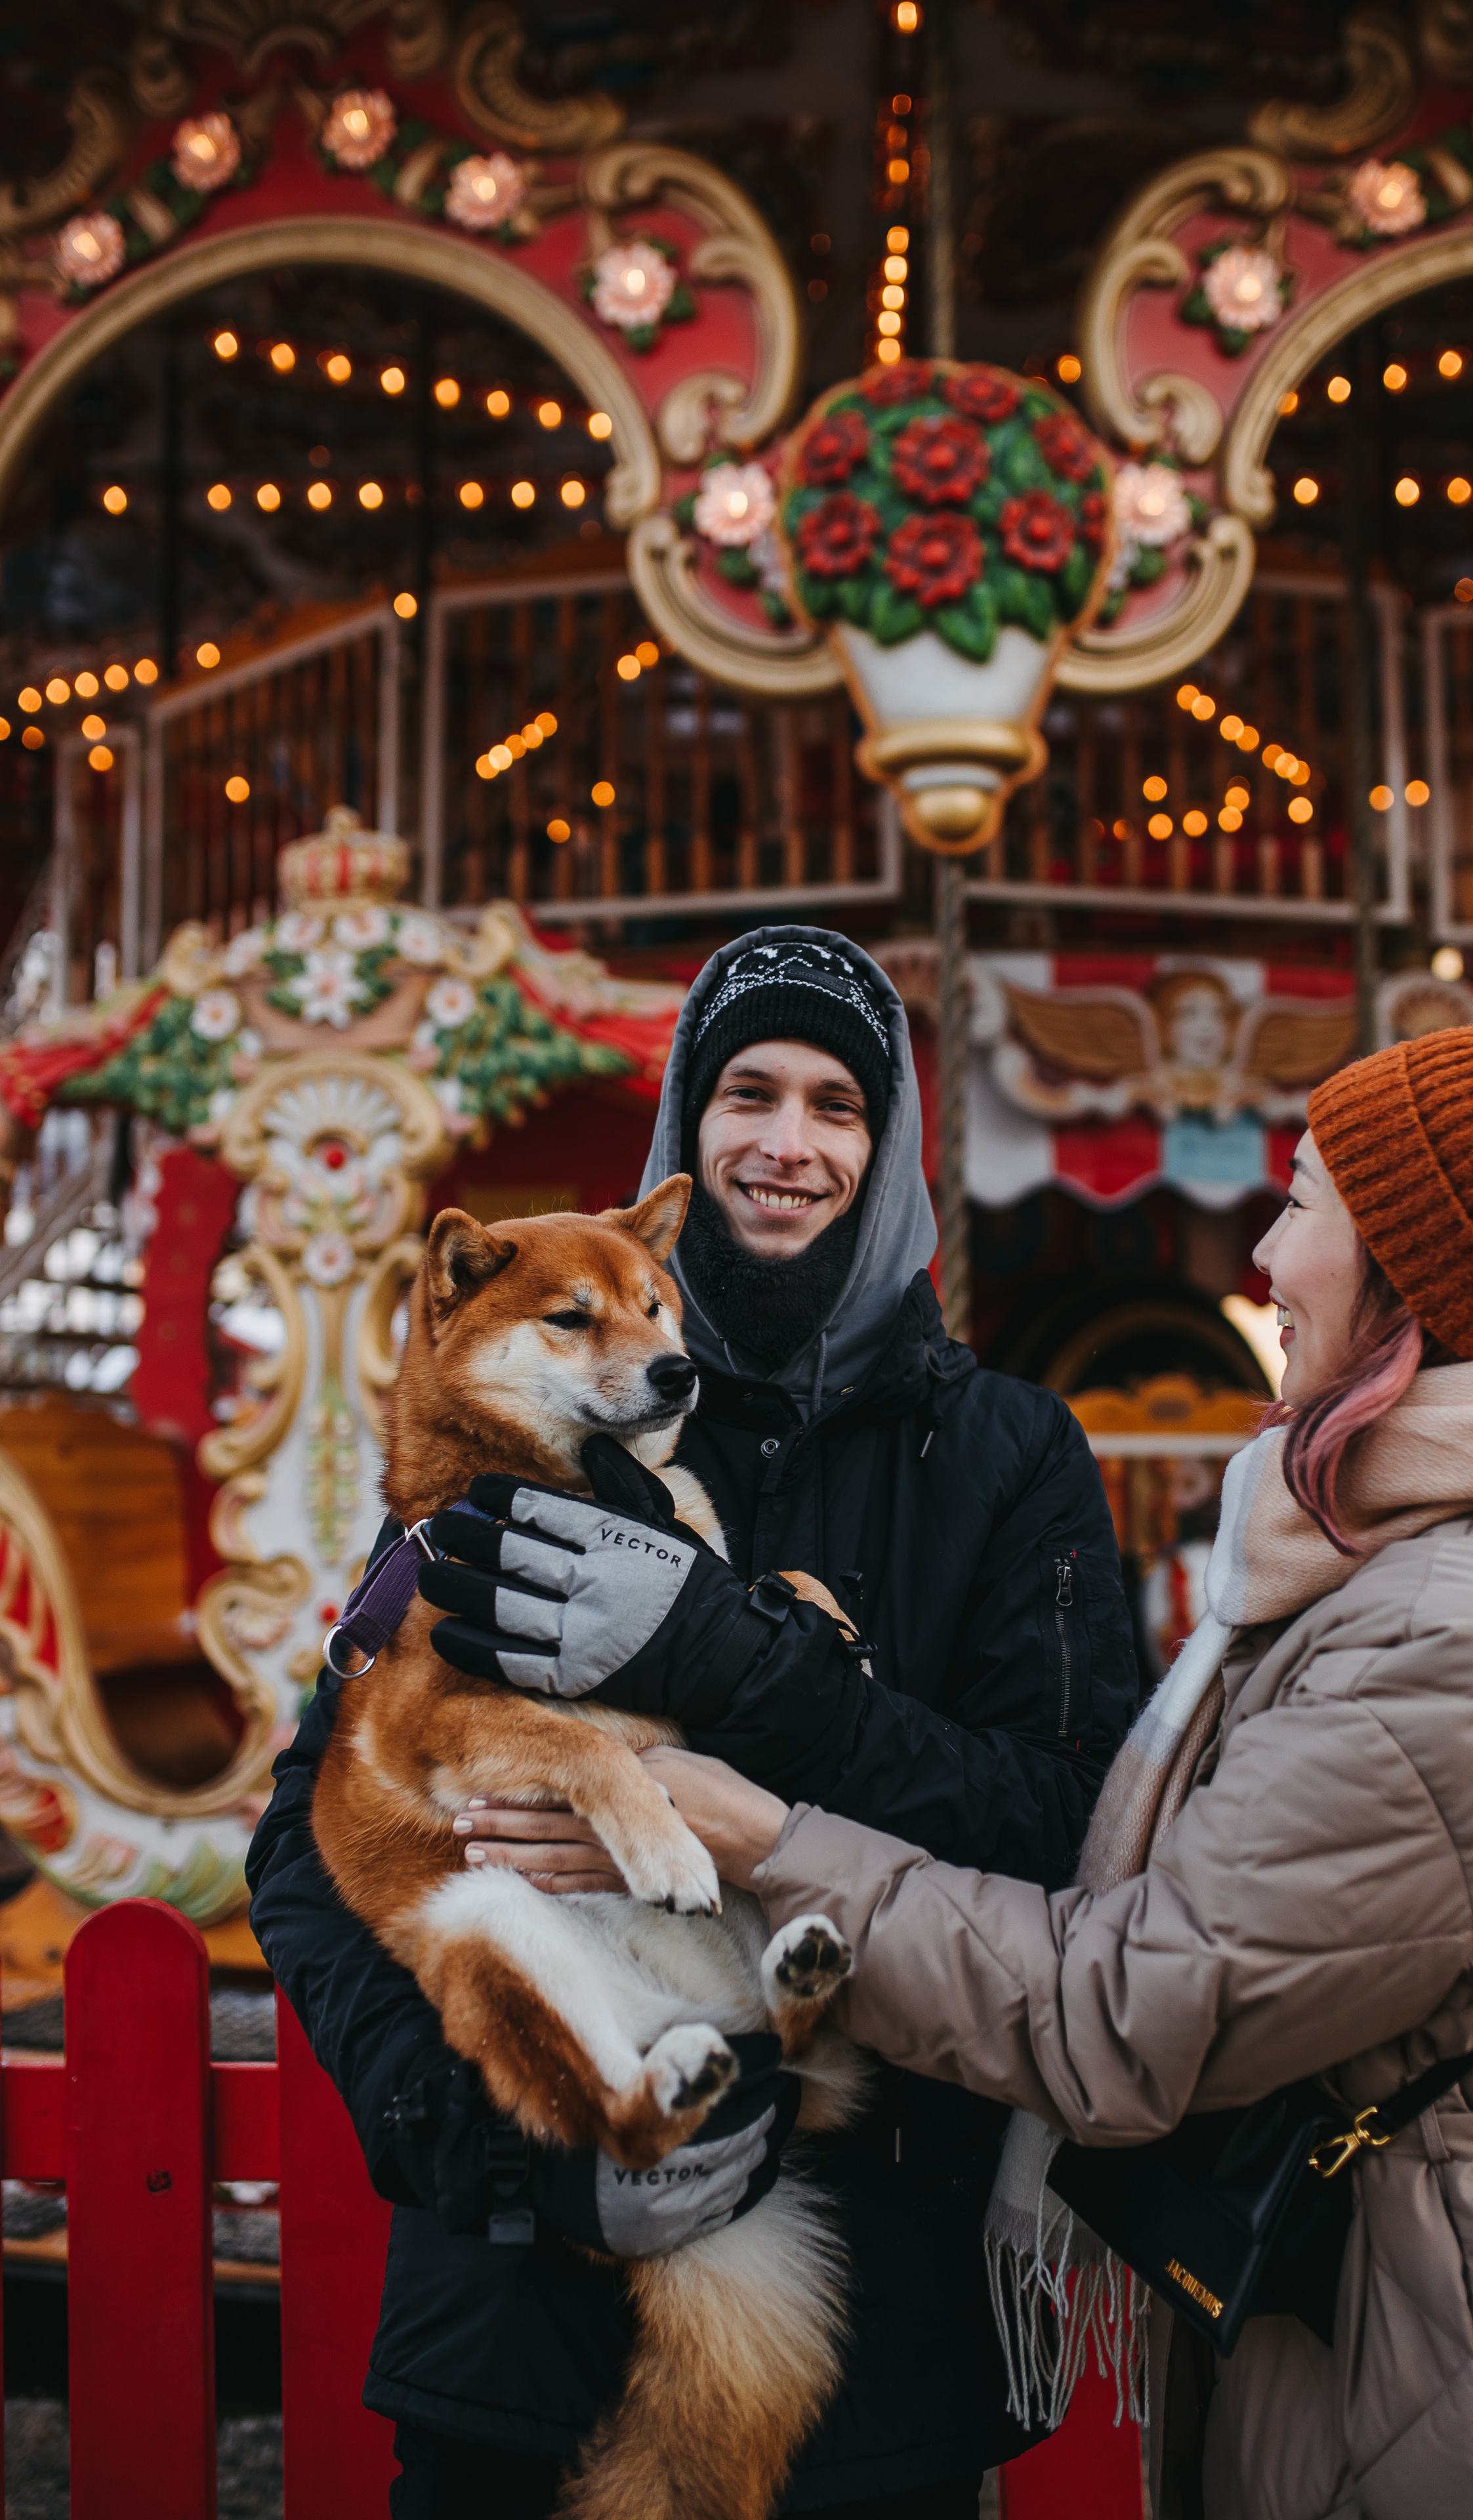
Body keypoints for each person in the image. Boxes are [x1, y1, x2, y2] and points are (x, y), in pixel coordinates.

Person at [645, 1013, 1473, 2520]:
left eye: (1309, 1200)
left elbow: (1131, 2012)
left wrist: (768, 1841)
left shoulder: (1472, 1631)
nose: (1264, 1250)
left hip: (1454, 2351)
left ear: (1416, 1271)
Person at [246, 923, 1137, 2518]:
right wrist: (466, 2118)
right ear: (685, 1122)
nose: (786, 1145)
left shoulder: (1004, 1458)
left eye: (836, 1105)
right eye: (747, 1091)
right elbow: (309, 1829)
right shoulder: (513, 1427)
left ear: (889, 1147)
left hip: (873, 2331)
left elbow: (1060, 1823)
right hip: (512, 2320)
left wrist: (758, 1687)